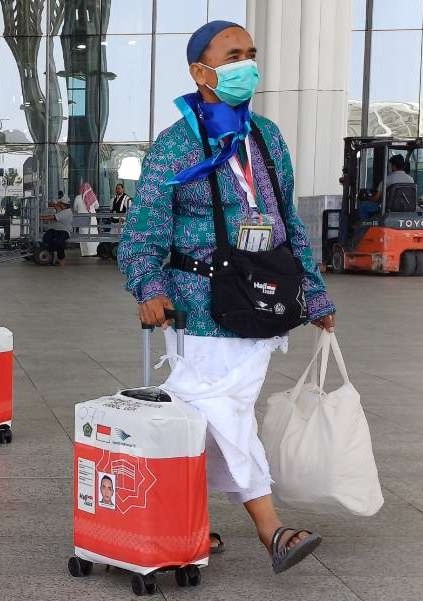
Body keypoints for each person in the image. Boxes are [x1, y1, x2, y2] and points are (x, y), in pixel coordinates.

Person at [118, 21, 336, 574]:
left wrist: (314, 294)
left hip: (263, 297)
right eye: (233, 55)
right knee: (223, 410)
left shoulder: (266, 135)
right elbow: (144, 229)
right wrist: (149, 286)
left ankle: (179, 522)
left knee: (206, 416)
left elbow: (287, 221)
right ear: (200, 71)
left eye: (251, 54)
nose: (248, 65)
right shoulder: (176, 144)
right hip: (200, 306)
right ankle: (272, 529)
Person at [40, 200, 72, 266]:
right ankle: (52, 254)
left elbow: (53, 217)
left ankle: (61, 258)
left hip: (64, 231)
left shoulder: (67, 212)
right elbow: (51, 208)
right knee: (46, 238)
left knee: (59, 242)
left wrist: (40, 218)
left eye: (60, 204)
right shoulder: (57, 210)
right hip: (54, 230)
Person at [74, 181, 99, 256]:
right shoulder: (92, 196)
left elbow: (75, 208)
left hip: (82, 218)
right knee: (93, 235)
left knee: (83, 235)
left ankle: (85, 253)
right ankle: (94, 252)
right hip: (92, 218)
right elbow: (97, 206)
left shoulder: (78, 197)